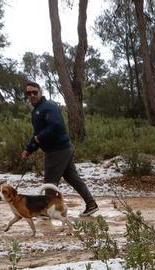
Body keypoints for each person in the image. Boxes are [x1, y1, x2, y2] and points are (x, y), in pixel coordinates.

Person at [21, 80, 99, 217]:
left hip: (57, 151)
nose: (32, 95)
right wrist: (29, 148)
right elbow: (37, 134)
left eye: (34, 92)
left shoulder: (48, 107)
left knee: (50, 182)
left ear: (40, 92)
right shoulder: (37, 111)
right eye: (28, 93)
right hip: (64, 149)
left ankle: (46, 212)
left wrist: (39, 138)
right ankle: (91, 204)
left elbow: (56, 126)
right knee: (73, 178)